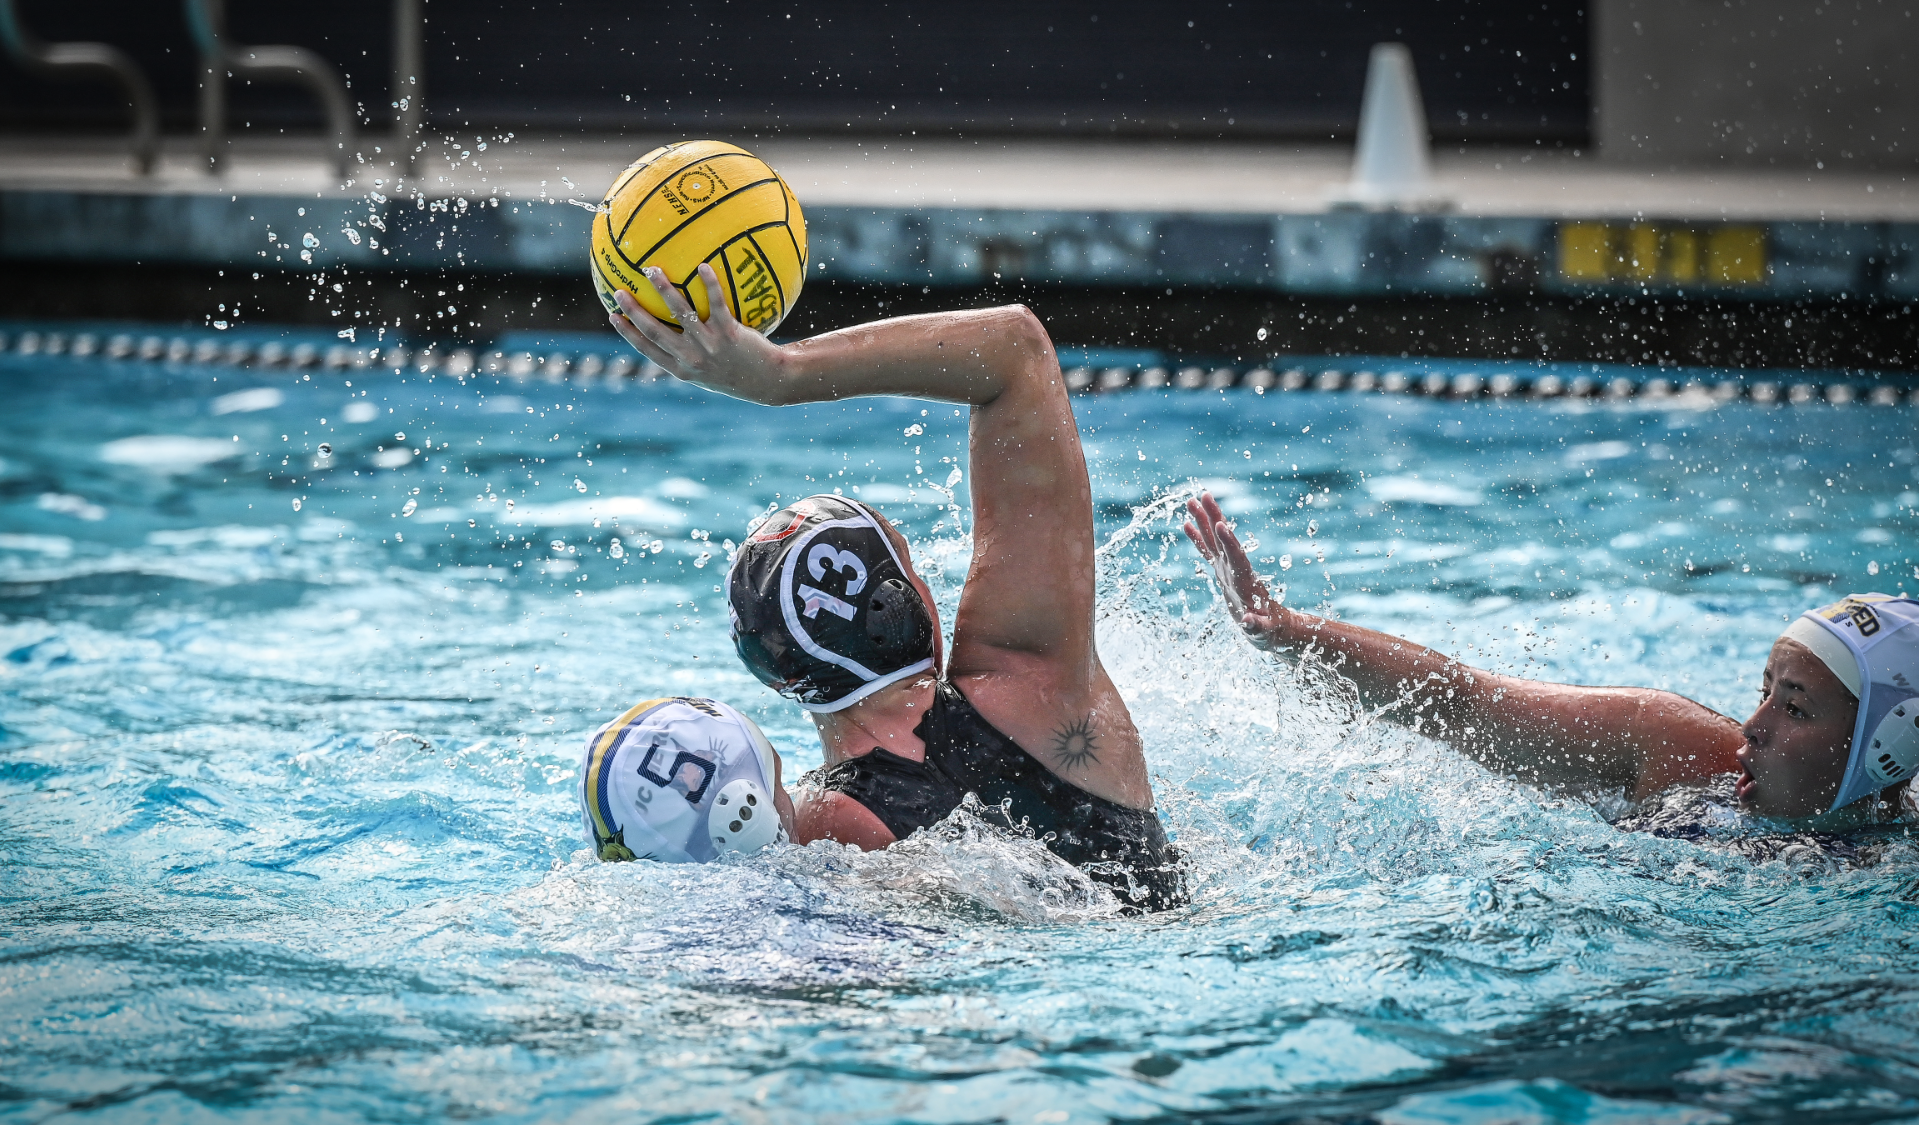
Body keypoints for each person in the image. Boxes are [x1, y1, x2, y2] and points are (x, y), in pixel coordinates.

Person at [580, 264, 1182, 910]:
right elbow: (1015, 349)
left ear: (782, 680)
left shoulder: (814, 830)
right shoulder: (1033, 681)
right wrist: (779, 374)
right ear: (909, 604)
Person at [1181, 491, 1919, 828]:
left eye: (1795, 708)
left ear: (1880, 749)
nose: (1753, 726)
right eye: (1764, 691)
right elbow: (1467, 703)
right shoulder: (1677, 748)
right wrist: (1289, 630)